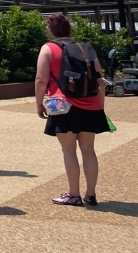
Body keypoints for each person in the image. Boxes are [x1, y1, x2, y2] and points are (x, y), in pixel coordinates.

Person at [35, 13, 108, 206]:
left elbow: (41, 79)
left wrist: (39, 103)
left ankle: (73, 194)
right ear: (69, 29)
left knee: (68, 150)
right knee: (89, 150)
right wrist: (100, 106)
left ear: (51, 30)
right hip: (90, 103)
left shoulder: (48, 48)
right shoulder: (85, 49)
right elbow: (100, 81)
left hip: (61, 103)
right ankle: (91, 194)